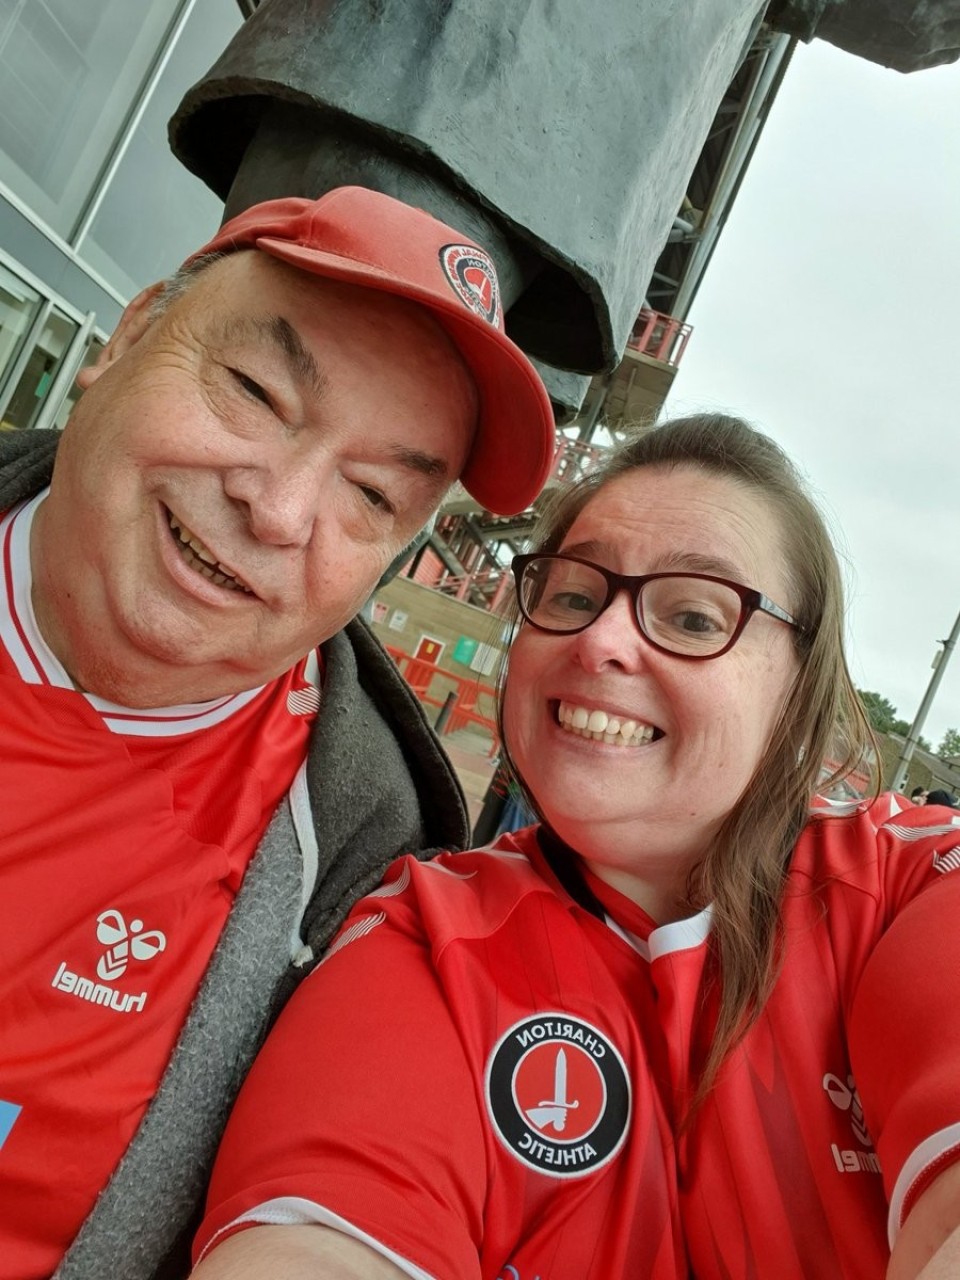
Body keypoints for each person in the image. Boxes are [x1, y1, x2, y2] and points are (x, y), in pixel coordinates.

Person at [189, 415, 960, 1280]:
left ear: (799, 688)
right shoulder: (431, 939)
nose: (600, 642)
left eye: (694, 616)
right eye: (572, 597)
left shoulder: (908, 884)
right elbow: (315, 1243)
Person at [0, 186, 555, 1280]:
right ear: (128, 336)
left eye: (371, 495)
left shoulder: (366, 858)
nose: (281, 509)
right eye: (255, 391)